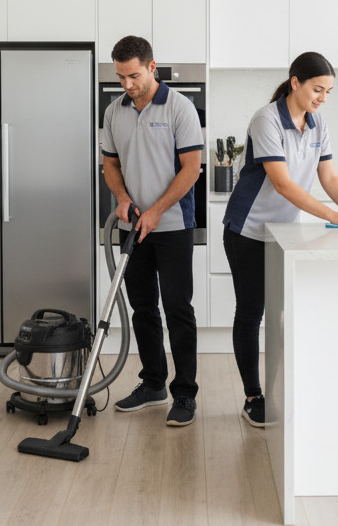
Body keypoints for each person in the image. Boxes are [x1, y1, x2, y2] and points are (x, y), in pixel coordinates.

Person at [222, 51, 338, 427]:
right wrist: (333, 216)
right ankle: (253, 396)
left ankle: (280, 391)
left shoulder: (317, 123)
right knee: (251, 313)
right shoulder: (266, 120)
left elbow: (329, 177)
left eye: (328, 92)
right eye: (317, 89)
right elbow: (281, 184)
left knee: (280, 315)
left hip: (284, 233)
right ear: (295, 82)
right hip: (247, 230)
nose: (322, 98)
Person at [102, 36, 203, 426]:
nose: (127, 84)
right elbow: (110, 165)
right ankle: (153, 383)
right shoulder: (114, 112)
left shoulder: (180, 108)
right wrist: (123, 198)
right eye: (120, 77)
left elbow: (191, 169)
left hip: (173, 225)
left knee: (178, 310)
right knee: (143, 308)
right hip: (133, 224)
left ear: (151, 66)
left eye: (133, 75)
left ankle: (185, 395)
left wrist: (159, 210)